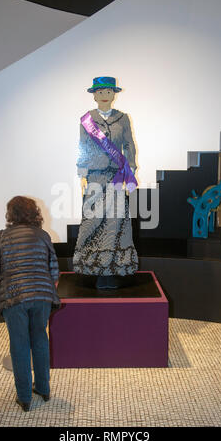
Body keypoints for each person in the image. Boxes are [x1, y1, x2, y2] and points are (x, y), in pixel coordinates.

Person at [0, 196, 60, 412]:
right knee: (39, 338)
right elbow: (54, 270)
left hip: (14, 296)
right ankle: (44, 389)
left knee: (19, 343)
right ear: (33, 212)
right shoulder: (43, 236)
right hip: (43, 295)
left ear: (10, 214)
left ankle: (25, 397)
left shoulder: (0, 237)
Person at [73, 77, 139, 289]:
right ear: (94, 95)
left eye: (108, 91)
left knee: (115, 221)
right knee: (93, 220)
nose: (104, 95)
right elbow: (83, 146)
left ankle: (114, 267)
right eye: (100, 92)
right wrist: (82, 172)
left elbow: (129, 146)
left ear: (114, 94)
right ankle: (92, 266)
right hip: (94, 176)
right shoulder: (87, 120)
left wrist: (130, 171)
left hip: (117, 176)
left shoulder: (123, 118)